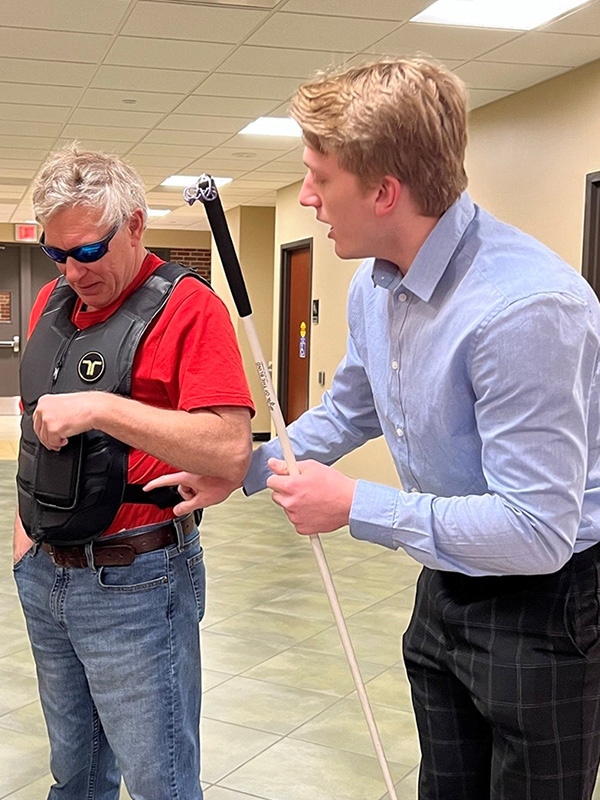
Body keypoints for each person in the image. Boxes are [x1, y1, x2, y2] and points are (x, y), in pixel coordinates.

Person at [146, 58, 600, 799]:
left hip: (543, 611)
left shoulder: (526, 309)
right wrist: (242, 469)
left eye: (319, 178)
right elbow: (349, 409)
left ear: (384, 191)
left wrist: (356, 505)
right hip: (446, 587)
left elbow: (537, 529)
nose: (307, 197)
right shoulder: (374, 284)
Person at [12, 144, 254, 800]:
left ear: (137, 225)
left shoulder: (187, 309)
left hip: (136, 582)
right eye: (54, 254)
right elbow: (39, 427)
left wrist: (105, 409)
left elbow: (231, 447)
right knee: (75, 774)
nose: (71, 271)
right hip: (46, 572)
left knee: (160, 782)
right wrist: (24, 535)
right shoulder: (53, 308)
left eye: (88, 252)